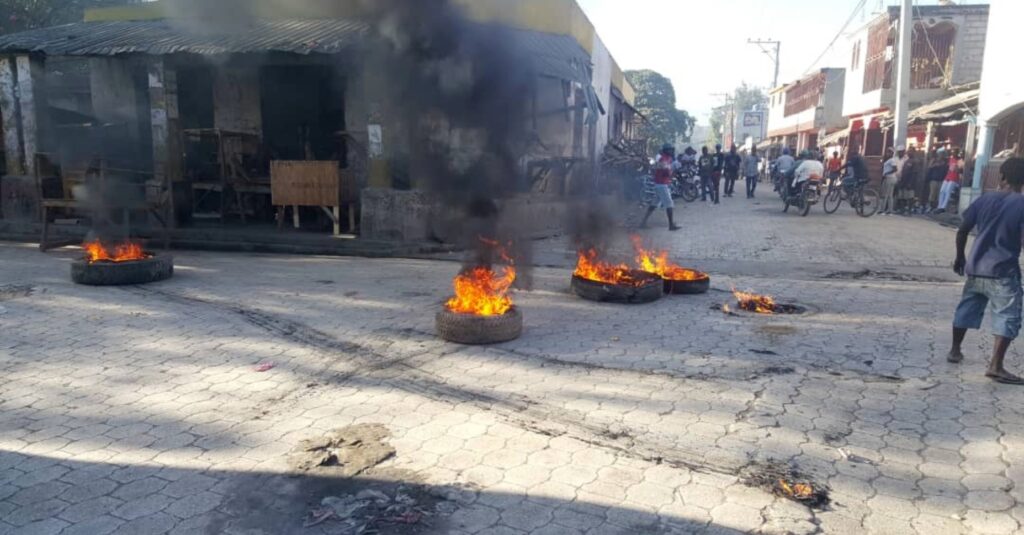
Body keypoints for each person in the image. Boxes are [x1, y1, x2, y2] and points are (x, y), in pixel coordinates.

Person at [948, 157, 1024, 385]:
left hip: (975, 267)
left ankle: (954, 350)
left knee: (967, 307)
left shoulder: (985, 199)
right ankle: (996, 366)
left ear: (1001, 177)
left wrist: (960, 257)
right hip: (1003, 271)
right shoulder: (1021, 204)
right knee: (1008, 315)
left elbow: (962, 230)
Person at [640, 144, 682, 231]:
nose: (672, 152)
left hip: (660, 184)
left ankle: (643, 222)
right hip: (661, 184)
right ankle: (671, 225)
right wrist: (673, 170)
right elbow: (667, 173)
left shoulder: (667, 159)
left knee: (654, 204)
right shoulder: (663, 159)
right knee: (669, 204)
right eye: (670, 150)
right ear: (666, 150)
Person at [879, 147, 904, 215]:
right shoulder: (889, 160)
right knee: (890, 195)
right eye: (887, 152)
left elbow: (895, 169)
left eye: (889, 152)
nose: (887, 153)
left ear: (892, 153)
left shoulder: (891, 160)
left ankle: (883, 210)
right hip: (891, 178)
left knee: (885, 194)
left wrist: (887, 173)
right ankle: (890, 210)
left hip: (889, 178)